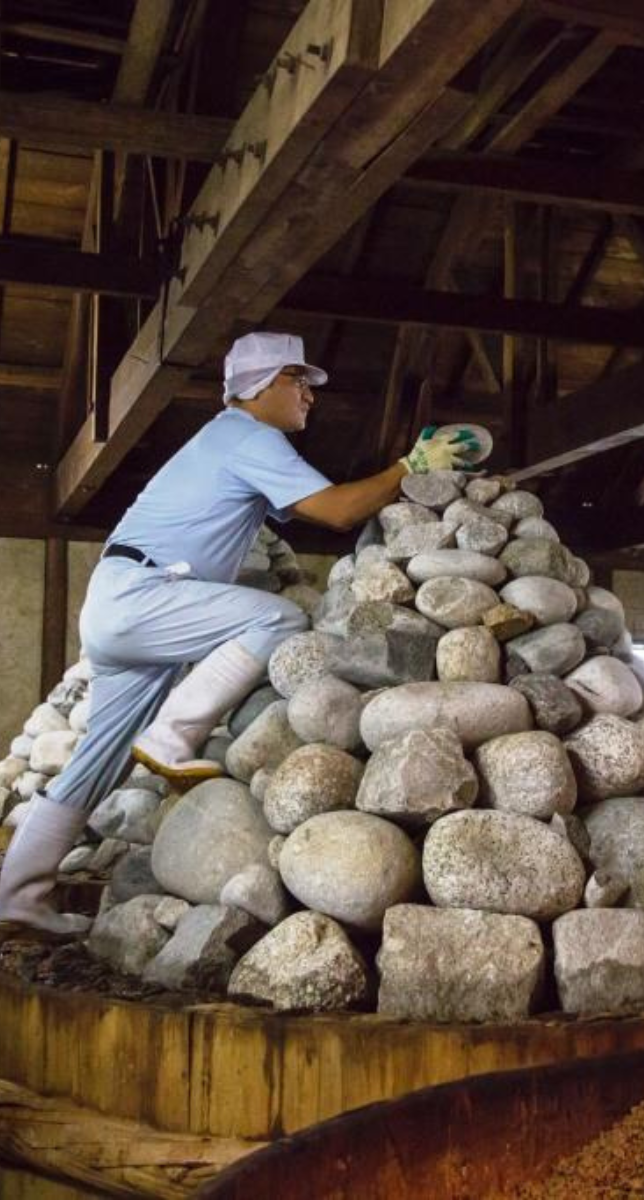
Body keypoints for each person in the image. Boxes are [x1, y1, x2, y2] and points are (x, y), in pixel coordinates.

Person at [0, 331, 478, 937]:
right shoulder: (248, 434)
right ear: (261, 386)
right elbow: (337, 512)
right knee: (277, 616)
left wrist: (395, 477)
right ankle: (176, 734)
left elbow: (324, 505)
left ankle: (16, 896)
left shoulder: (231, 442)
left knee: (99, 761)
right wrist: (410, 466)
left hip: (122, 600)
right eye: (297, 380)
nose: (309, 394)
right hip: (146, 597)